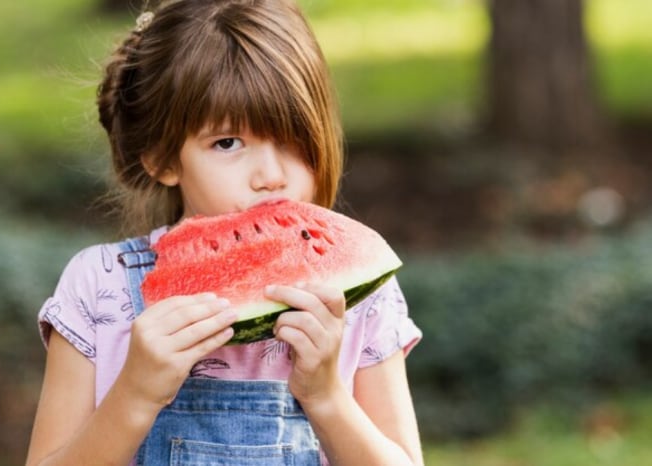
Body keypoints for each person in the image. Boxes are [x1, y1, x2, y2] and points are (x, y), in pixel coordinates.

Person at [25, 1, 424, 465]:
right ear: (162, 156)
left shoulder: (360, 300)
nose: (271, 175)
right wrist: (133, 394)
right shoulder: (100, 287)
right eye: (228, 143)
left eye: (294, 138)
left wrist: (328, 397)